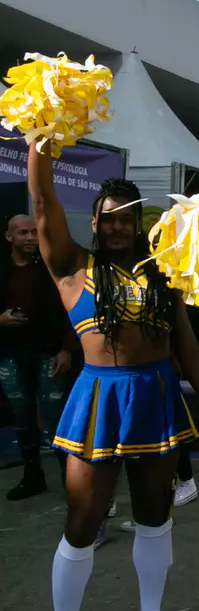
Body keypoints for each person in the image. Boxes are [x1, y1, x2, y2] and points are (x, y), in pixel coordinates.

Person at [28, 157, 199, 611]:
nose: (117, 225)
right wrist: (39, 150)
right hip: (98, 398)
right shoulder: (72, 267)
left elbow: (188, 351)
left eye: (126, 218)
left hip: (155, 398)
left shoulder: (163, 274)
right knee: (83, 521)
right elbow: (44, 206)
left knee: (155, 515)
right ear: (94, 222)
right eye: (108, 217)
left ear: (138, 223)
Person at [0, 213, 75, 501]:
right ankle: (33, 477)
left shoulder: (50, 268)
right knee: (22, 419)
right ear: (10, 237)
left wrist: (67, 348)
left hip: (49, 353)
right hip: (10, 355)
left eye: (33, 232)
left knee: (57, 421)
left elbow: (70, 310)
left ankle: (70, 481)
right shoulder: (2, 269)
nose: (30, 237)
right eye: (22, 232)